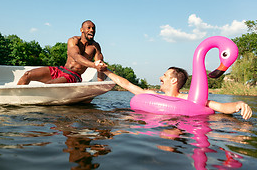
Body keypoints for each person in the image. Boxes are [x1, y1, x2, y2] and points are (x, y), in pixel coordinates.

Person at [101, 64, 252, 120]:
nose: (160, 77)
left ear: (174, 81)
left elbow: (221, 107)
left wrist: (240, 103)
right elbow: (126, 84)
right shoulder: (152, 96)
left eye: (164, 76)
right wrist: (105, 70)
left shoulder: (190, 99)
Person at [17, 20, 107, 85]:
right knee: (27, 75)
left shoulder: (95, 47)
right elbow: (76, 56)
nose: (92, 30)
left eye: (93, 28)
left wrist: (100, 85)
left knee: (49, 85)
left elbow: (100, 68)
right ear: (82, 30)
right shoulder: (73, 40)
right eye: (89, 28)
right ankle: (17, 98)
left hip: (74, 76)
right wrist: (93, 65)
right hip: (61, 70)